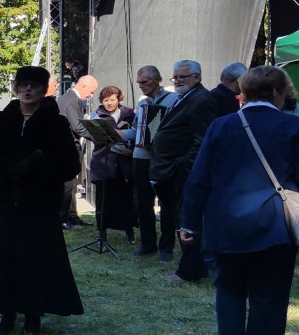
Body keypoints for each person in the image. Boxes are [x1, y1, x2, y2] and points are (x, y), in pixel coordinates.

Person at [180, 65, 299, 335]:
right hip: (275, 226)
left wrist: (189, 223)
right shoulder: (294, 127)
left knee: (229, 291)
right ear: (279, 92)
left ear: (243, 93)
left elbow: (199, 178)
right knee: (270, 297)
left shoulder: (221, 126)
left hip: (226, 224)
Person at [0, 65, 83, 335]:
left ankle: (33, 316)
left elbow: (70, 165)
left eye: (34, 85)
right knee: (4, 259)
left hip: (38, 204)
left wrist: (38, 165)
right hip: (3, 202)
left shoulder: (56, 123)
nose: (28, 89)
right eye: (23, 84)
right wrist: (9, 170)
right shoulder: (1, 119)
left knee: (34, 261)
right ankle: (6, 313)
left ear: (44, 89)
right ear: (16, 88)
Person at [153, 60, 218, 282]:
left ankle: (191, 270)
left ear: (197, 77)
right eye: (175, 77)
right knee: (182, 219)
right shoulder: (184, 97)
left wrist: (185, 167)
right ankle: (194, 266)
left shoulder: (201, 99)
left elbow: (203, 140)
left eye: (183, 76)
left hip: (185, 171)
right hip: (174, 170)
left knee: (188, 221)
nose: (178, 81)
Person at [129, 65, 177, 258]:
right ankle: (147, 244)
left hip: (163, 159)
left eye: (145, 81)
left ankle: (166, 247)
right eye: (139, 82)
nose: (141, 85)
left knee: (167, 203)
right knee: (142, 203)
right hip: (141, 158)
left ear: (157, 80)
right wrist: (114, 133)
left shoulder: (174, 99)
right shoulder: (142, 103)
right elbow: (136, 131)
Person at [88, 86, 136, 242]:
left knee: (126, 200)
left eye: (112, 99)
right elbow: (95, 137)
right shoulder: (96, 116)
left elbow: (137, 135)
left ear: (119, 99)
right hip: (104, 163)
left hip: (124, 164)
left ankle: (129, 232)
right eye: (106, 100)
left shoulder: (129, 114)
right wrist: (114, 130)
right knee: (103, 201)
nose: (109, 103)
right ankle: (102, 234)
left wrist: (130, 149)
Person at [57, 75, 99, 228]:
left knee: (72, 184)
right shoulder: (74, 100)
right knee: (68, 185)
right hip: (69, 147)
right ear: (83, 86)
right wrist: (99, 137)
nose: (91, 95)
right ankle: (63, 218)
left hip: (65, 146)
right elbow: (78, 127)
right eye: (91, 91)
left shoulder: (65, 97)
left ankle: (71, 215)